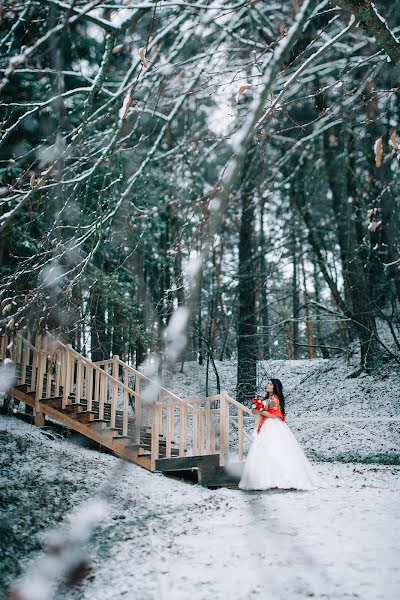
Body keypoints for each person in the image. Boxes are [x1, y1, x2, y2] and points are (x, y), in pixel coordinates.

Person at [238, 378, 318, 491]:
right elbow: (256, 411)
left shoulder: (275, 398)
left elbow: (274, 414)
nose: (267, 385)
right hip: (266, 425)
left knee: (276, 449)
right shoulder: (267, 399)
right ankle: (267, 479)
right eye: (267, 383)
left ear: (275, 387)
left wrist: (260, 410)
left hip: (273, 425)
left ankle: (281, 478)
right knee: (266, 450)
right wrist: (257, 408)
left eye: (270, 384)